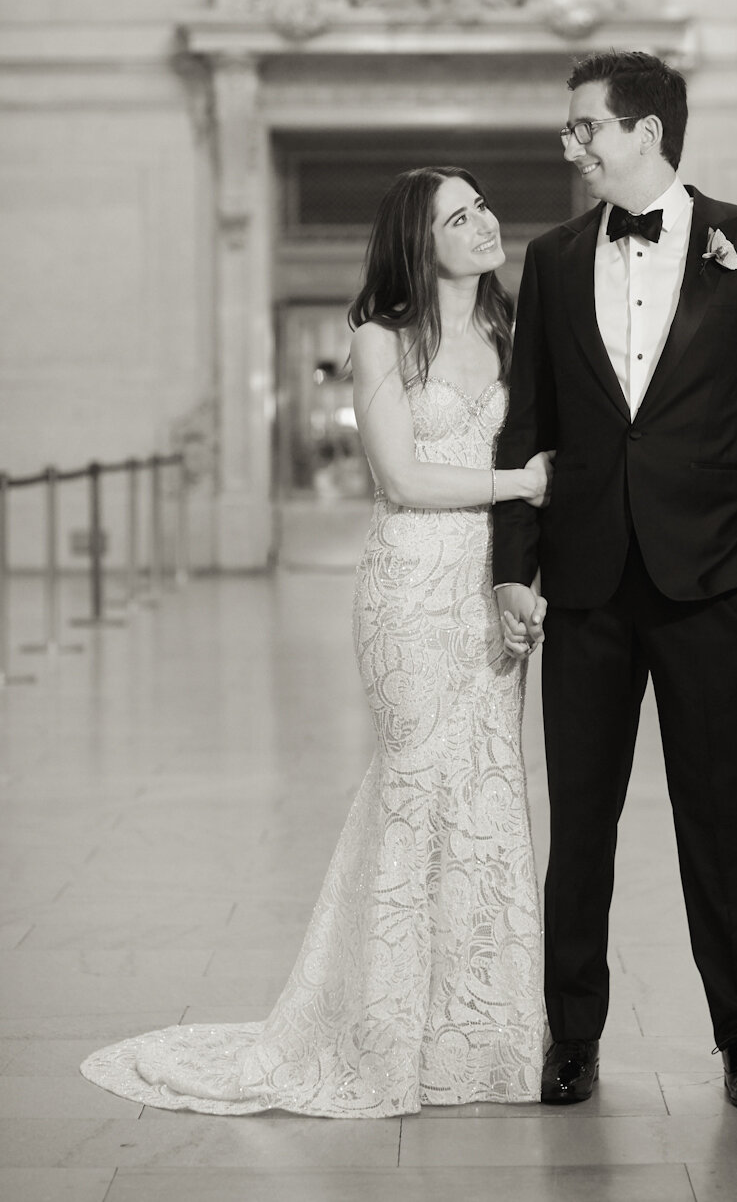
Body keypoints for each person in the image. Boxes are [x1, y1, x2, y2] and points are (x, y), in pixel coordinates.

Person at [82, 166, 549, 1117]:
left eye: (484, 206)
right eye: (459, 218)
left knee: (488, 797)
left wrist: (526, 574)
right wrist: (523, 485)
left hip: (486, 592)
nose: (485, 223)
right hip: (409, 591)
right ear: (420, 245)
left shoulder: (515, 332)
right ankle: (378, 1036)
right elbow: (405, 478)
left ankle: (478, 1039)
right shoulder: (378, 338)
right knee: (415, 788)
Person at [493, 51, 737, 1110]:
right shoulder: (552, 258)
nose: (571, 145)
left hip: (709, 585)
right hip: (588, 585)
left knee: (720, 818)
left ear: (644, 130)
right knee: (582, 824)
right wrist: (513, 569)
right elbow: (528, 423)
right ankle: (572, 1038)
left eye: (583, 127)